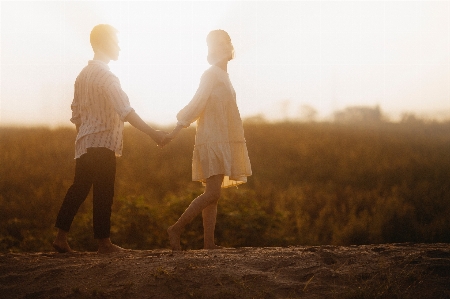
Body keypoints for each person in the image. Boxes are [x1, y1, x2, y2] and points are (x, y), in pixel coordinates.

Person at [52, 24, 167, 254]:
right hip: (103, 143)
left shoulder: (82, 76)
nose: (119, 47)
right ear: (104, 44)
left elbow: (76, 114)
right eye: (116, 42)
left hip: (85, 143)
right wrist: (154, 133)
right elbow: (126, 111)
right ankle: (104, 243)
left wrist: (84, 137)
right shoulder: (107, 76)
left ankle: (61, 237)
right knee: (104, 192)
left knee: (79, 189)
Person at [164, 30, 252, 251]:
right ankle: (176, 229)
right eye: (216, 44)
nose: (222, 47)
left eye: (225, 43)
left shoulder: (224, 75)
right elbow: (196, 104)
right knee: (213, 192)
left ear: (230, 47)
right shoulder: (211, 74)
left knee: (212, 194)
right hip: (212, 139)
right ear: (212, 50)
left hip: (222, 139)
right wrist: (175, 130)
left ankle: (209, 244)